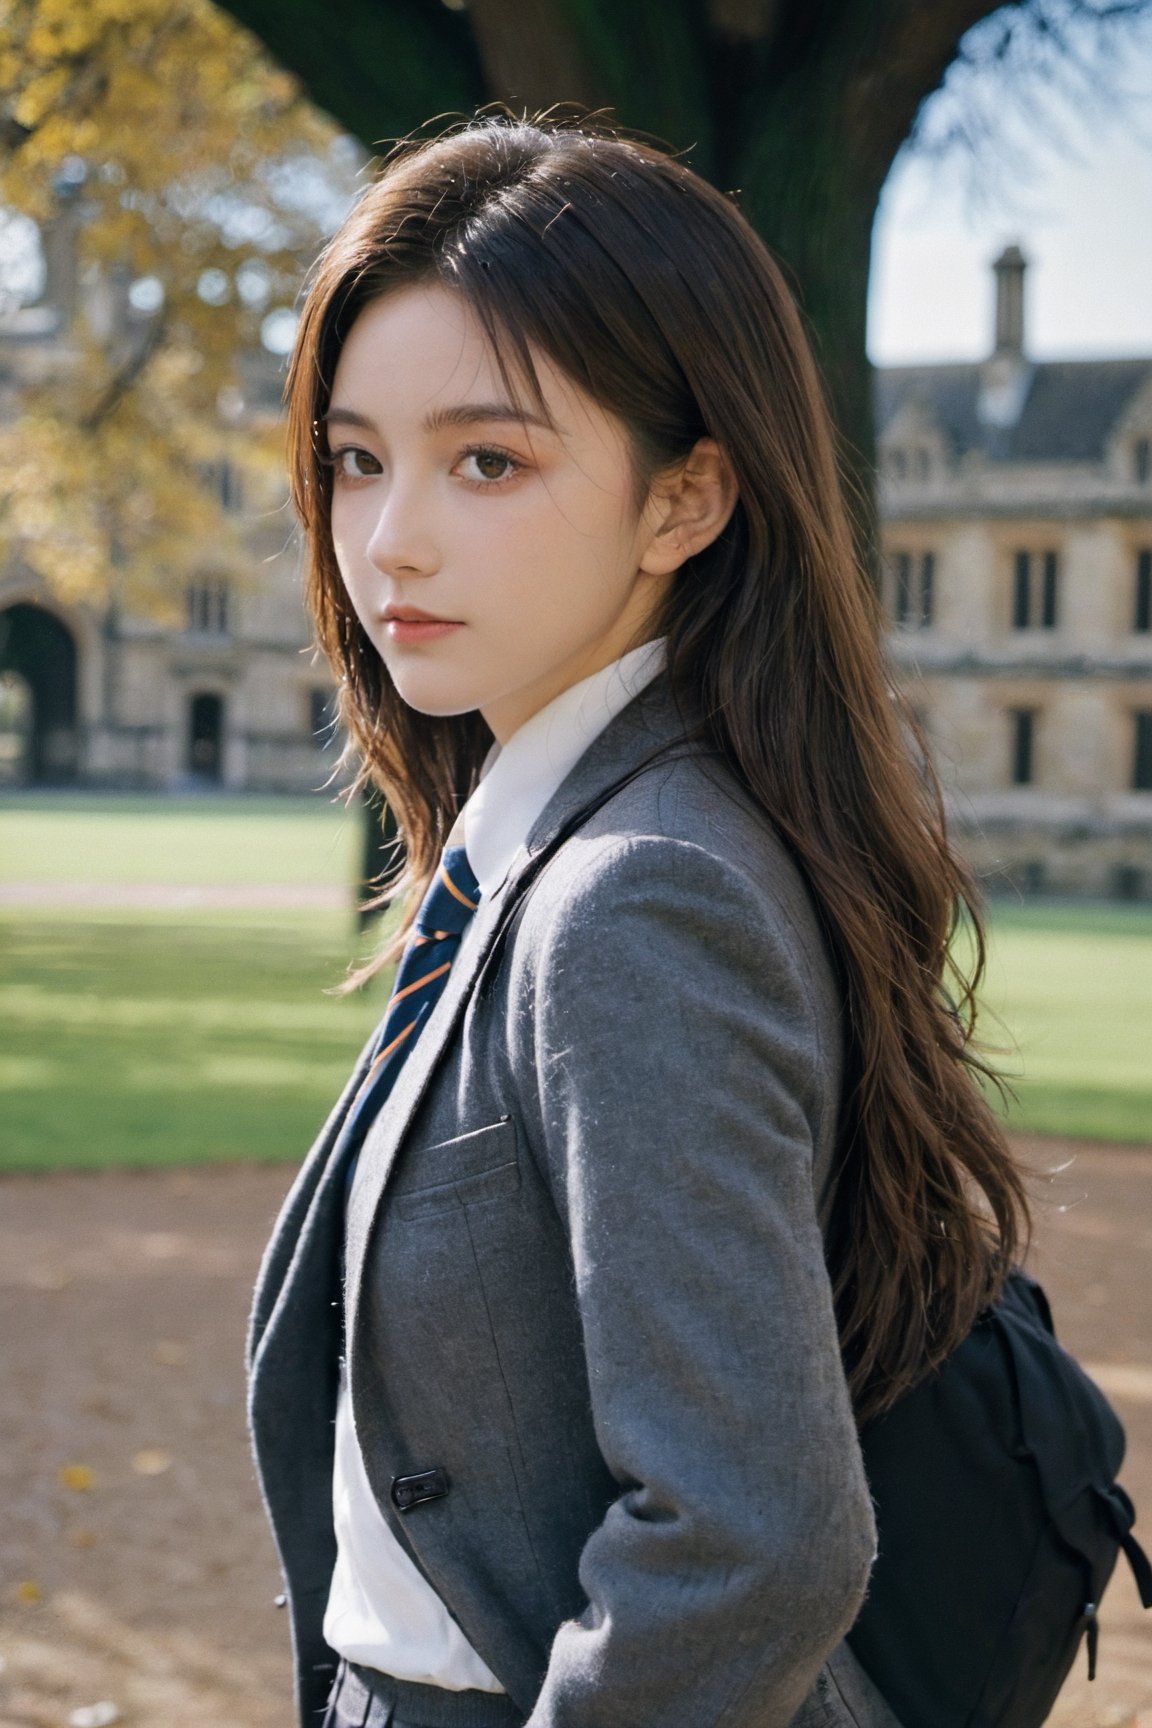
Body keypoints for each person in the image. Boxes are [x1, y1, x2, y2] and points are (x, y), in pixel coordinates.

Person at [246, 112, 1028, 1728]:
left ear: (687, 501)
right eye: (354, 458)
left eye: (489, 459)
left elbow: (757, 1536)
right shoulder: (559, 837)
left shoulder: (635, 895)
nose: (390, 536)